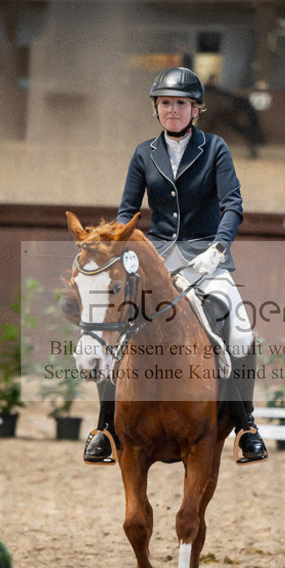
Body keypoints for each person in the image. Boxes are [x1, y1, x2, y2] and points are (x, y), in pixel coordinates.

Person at [83, 66, 269, 466]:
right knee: (112, 329)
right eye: (165, 103)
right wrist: (122, 249)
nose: (172, 110)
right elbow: (128, 212)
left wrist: (217, 249)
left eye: (180, 104)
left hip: (207, 258)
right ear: (157, 108)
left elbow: (232, 205)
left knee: (241, 333)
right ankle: (104, 428)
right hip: (157, 260)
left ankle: (246, 426)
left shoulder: (215, 149)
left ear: (195, 111)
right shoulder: (143, 154)